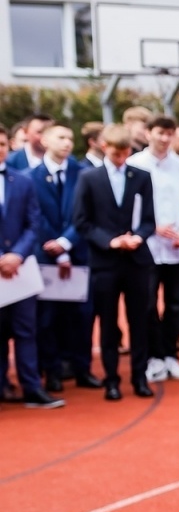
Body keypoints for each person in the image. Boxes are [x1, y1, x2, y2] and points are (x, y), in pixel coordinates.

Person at [72, 124, 157, 400]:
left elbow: (148, 219)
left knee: (139, 320)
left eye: (125, 153)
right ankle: (111, 380)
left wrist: (138, 237)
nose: (122, 158)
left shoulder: (142, 176)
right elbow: (82, 221)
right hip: (105, 261)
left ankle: (139, 377)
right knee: (108, 323)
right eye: (117, 153)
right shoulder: (89, 178)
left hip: (136, 259)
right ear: (105, 148)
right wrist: (110, 241)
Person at [129, 115, 179, 383]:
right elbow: (128, 209)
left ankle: (171, 356)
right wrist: (152, 227)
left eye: (169, 134)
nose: (164, 138)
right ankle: (154, 357)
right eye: (160, 133)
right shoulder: (134, 164)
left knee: (175, 305)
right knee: (147, 304)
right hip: (146, 247)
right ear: (148, 133)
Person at [30, 124, 97, 391]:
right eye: (61, 137)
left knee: (82, 316)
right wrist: (54, 247)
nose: (67, 142)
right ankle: (53, 371)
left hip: (78, 255)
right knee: (47, 319)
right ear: (45, 140)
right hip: (45, 258)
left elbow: (84, 214)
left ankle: (83, 369)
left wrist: (66, 242)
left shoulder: (84, 174)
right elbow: (36, 216)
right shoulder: (29, 176)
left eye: (70, 137)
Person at [0, 137, 63, 408]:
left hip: (22, 268)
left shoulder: (22, 180)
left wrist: (17, 255)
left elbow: (33, 222)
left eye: (2, 143)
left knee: (27, 329)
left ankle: (32, 387)